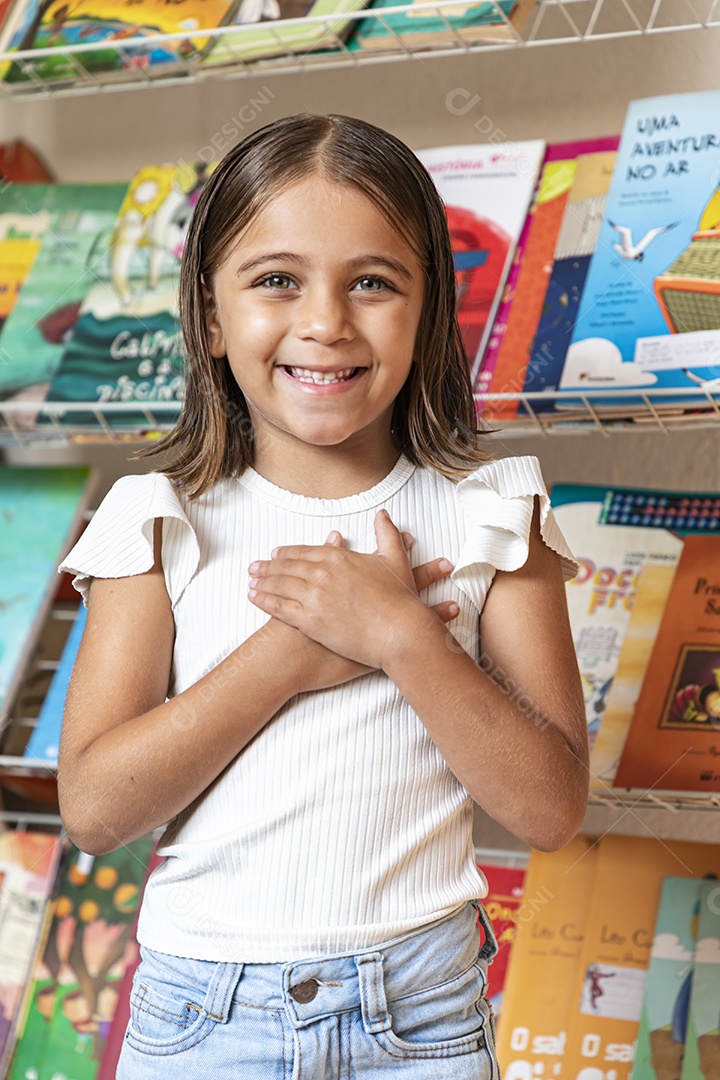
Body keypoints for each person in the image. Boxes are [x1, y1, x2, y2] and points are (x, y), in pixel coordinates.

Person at [57, 113, 589, 1079]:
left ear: (428, 308)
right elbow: (95, 810)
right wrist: (287, 657)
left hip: (421, 1016)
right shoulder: (157, 518)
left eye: (374, 283)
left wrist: (402, 637)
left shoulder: (494, 513)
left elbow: (549, 808)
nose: (326, 322)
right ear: (210, 317)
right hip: (205, 1016)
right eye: (275, 281)